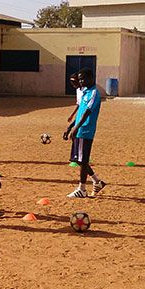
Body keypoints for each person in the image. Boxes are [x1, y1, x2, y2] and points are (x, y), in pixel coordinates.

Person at [63, 68, 106, 198]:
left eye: (83, 79)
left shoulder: (93, 93)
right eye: (80, 79)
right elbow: (81, 112)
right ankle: (97, 182)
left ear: (91, 78)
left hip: (85, 130)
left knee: (83, 160)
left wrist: (76, 128)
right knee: (80, 160)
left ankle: (82, 189)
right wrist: (70, 127)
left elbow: (87, 112)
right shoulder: (85, 92)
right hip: (79, 129)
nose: (81, 81)